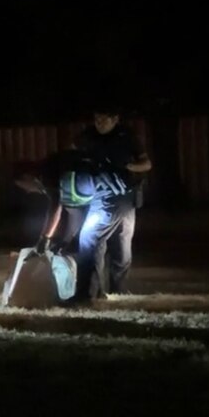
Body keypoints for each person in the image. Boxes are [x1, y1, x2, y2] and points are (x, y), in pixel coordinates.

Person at [73, 107, 152, 301]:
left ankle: (92, 293)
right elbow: (73, 155)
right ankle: (107, 292)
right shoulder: (88, 136)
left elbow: (147, 164)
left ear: (116, 118)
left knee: (94, 239)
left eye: (104, 118)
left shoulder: (127, 136)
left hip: (121, 195)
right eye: (96, 117)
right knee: (112, 242)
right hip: (106, 194)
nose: (99, 122)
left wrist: (127, 166)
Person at [12, 150, 99, 255]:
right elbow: (75, 213)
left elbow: (55, 208)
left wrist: (45, 238)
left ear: (27, 176)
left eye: (23, 186)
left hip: (94, 185)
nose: (27, 191)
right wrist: (66, 241)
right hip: (101, 191)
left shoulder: (46, 173)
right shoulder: (51, 167)